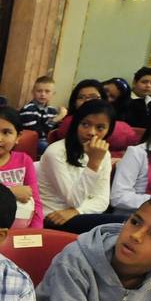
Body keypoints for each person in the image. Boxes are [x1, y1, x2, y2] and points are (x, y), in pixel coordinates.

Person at [38, 99, 126, 233]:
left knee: (126, 224)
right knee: (122, 226)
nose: (91, 132)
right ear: (76, 124)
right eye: (85, 124)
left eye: (100, 128)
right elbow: (73, 200)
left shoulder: (104, 153)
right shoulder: (55, 152)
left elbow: (102, 200)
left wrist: (77, 211)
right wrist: (94, 163)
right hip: (52, 217)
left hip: (79, 214)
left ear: (109, 130)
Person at [50, 79, 140, 151]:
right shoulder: (69, 123)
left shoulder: (114, 122)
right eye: (81, 97)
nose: (87, 101)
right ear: (74, 102)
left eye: (93, 97)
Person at [17, 75, 59, 148]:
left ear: (53, 94)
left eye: (47, 91)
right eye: (39, 91)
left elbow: (56, 132)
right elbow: (37, 134)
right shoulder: (28, 109)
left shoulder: (52, 111)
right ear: (33, 92)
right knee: (46, 146)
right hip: (31, 142)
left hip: (46, 141)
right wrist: (56, 119)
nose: (43, 94)